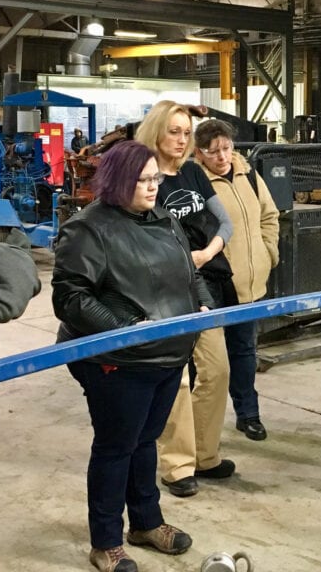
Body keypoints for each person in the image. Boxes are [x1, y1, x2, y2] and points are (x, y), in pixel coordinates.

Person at [53, 140, 207, 572]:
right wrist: (122, 332)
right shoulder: (88, 228)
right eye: (143, 180)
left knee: (145, 442)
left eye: (156, 178)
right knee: (116, 447)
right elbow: (71, 298)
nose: (153, 186)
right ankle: (105, 541)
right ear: (117, 179)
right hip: (117, 362)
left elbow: (190, 274)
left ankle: (145, 522)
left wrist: (205, 305)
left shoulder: (165, 219)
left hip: (168, 353)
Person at [134, 100, 236, 499]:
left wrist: (204, 254)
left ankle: (205, 455)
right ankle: (177, 465)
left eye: (185, 132)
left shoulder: (193, 171)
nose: (180, 139)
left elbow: (224, 222)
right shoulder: (143, 176)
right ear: (156, 131)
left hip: (201, 285)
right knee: (173, 380)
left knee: (216, 369)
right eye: (173, 131)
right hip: (161, 293)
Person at [193, 119, 280, 443]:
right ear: (199, 153)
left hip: (250, 283)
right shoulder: (195, 181)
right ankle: (200, 430)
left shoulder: (248, 174)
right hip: (214, 285)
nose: (222, 156)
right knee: (208, 362)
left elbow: (269, 216)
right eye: (213, 151)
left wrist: (267, 253)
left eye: (226, 148)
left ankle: (248, 415)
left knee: (244, 352)